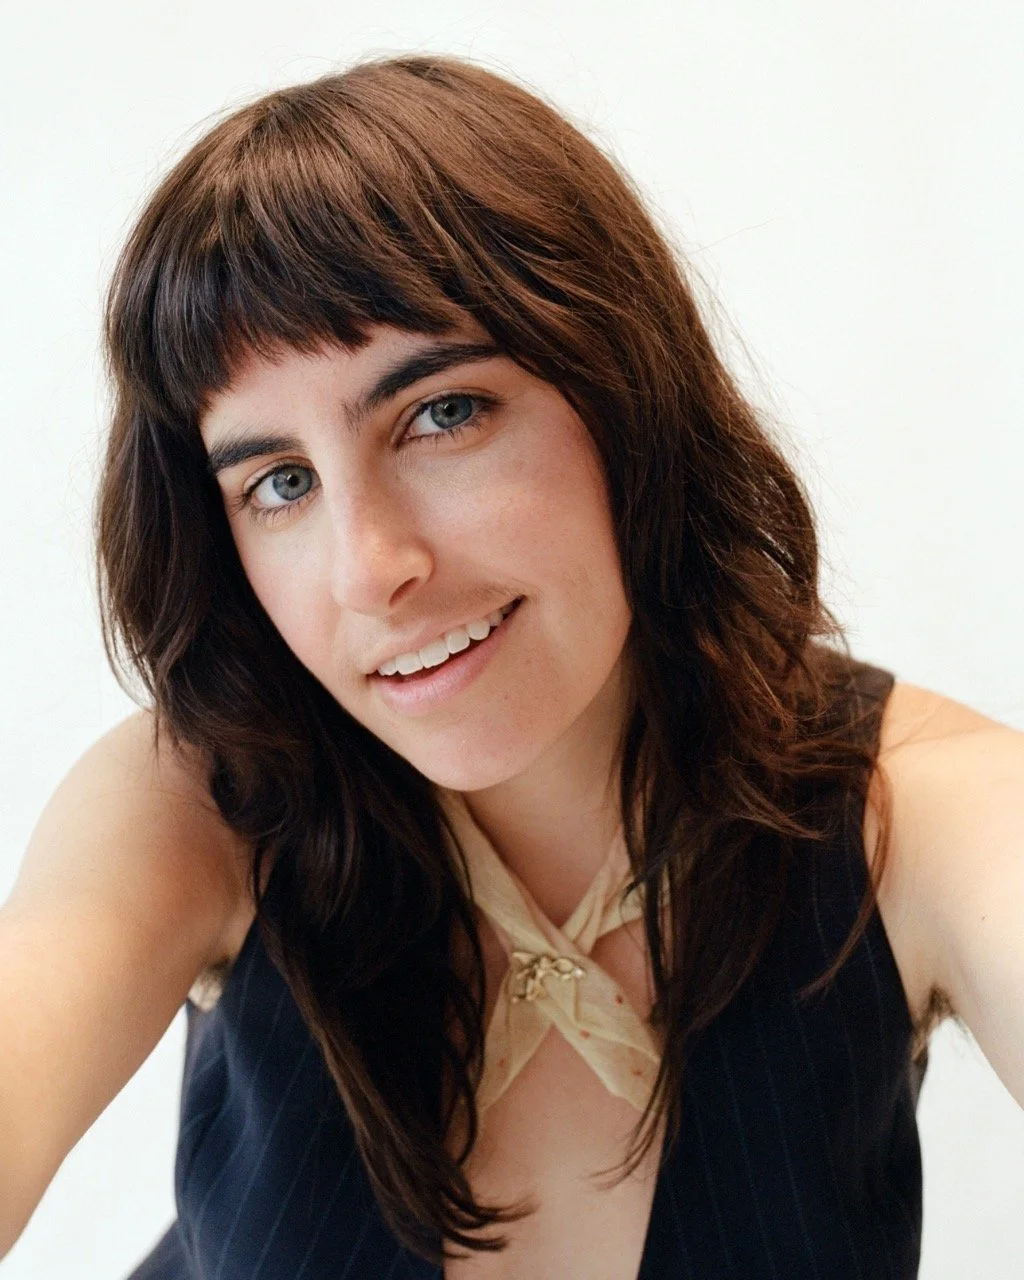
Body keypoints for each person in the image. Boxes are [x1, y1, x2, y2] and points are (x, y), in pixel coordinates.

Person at [1, 52, 1022, 1280]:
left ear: (626, 390)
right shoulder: (200, 802)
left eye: (442, 414)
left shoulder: (915, 808)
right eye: (280, 481)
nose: (369, 567)